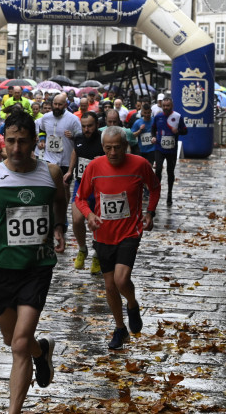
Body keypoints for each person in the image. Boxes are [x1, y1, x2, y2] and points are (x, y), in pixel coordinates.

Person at [0, 110, 65, 414]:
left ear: (34, 141)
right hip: (0, 268)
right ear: (4, 141)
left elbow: (60, 201)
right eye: (11, 142)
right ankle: (41, 351)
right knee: (13, 339)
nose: (16, 149)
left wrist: (59, 227)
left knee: (19, 344)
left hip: (37, 267)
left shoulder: (51, 173)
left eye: (23, 142)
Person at [75, 126, 161, 349]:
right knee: (110, 286)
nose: (113, 152)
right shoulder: (94, 166)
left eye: (117, 147)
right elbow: (80, 198)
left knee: (121, 280)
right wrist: (90, 215)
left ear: (126, 146)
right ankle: (120, 328)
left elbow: (155, 187)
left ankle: (132, 304)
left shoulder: (140, 164)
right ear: (103, 147)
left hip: (129, 231)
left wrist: (149, 212)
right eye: (108, 148)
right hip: (103, 233)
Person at [63, 111, 104, 273]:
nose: (86, 129)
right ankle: (82, 249)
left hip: (100, 187)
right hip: (81, 184)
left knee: (97, 222)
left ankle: (97, 254)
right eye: (84, 126)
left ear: (97, 125)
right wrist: (70, 170)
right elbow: (75, 152)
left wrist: (100, 161)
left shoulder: (103, 139)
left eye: (90, 126)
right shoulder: (78, 138)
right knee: (77, 219)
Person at [37, 93, 82, 195]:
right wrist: (43, 140)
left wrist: (72, 136)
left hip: (66, 161)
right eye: (55, 104)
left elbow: (81, 137)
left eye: (60, 104)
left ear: (65, 105)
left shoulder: (73, 119)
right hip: (49, 158)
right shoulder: (46, 117)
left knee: (64, 188)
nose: (57, 107)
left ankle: (64, 209)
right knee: (48, 187)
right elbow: (41, 129)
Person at [151, 97, 187, 206]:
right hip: (159, 148)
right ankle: (157, 192)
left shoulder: (177, 116)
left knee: (170, 172)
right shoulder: (158, 116)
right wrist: (153, 137)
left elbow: (185, 131)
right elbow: (153, 129)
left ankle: (169, 194)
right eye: (164, 106)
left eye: (168, 106)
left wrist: (178, 131)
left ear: (172, 106)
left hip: (172, 150)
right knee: (158, 169)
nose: (166, 108)